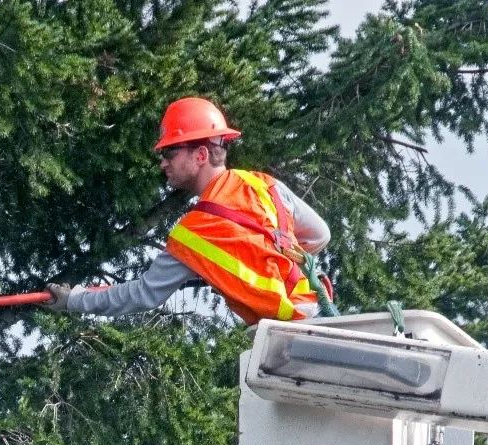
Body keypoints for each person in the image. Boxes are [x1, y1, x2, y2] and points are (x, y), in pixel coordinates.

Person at [45, 97, 332, 324]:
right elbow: (319, 235)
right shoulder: (262, 184)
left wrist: (73, 300)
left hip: (289, 331)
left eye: (170, 152)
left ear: (201, 154)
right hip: (317, 312)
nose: (163, 162)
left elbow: (143, 294)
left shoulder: (196, 232)